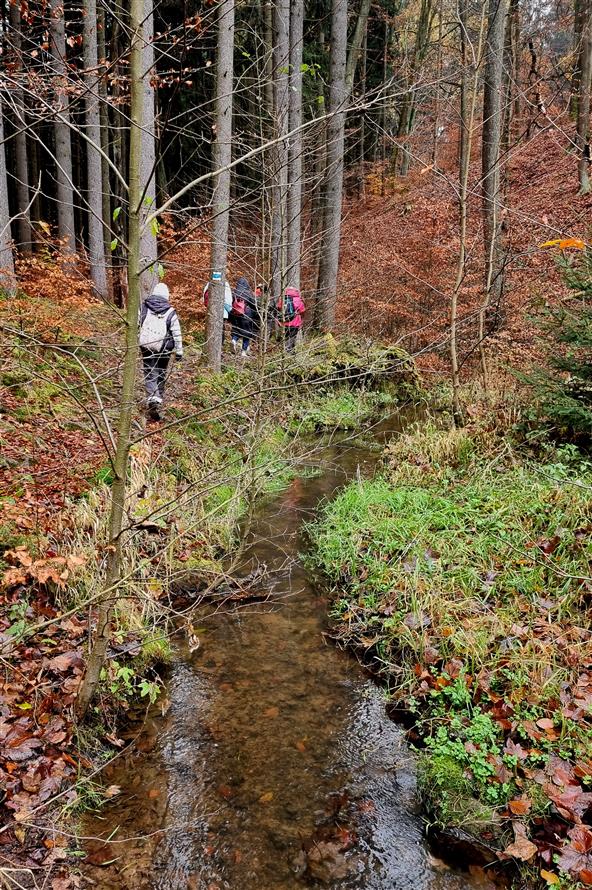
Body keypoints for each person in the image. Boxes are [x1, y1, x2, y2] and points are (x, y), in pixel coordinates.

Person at [139, 282, 183, 420]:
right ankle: (158, 399)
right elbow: (176, 333)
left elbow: (136, 323)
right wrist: (179, 351)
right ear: (167, 296)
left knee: (150, 371)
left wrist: (136, 340)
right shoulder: (171, 312)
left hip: (146, 345)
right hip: (164, 348)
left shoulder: (143, 307)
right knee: (161, 372)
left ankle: (153, 396)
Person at [231, 276, 256, 357]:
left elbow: (231, 303)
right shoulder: (248, 293)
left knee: (237, 329)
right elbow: (253, 304)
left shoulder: (234, 292)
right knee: (247, 333)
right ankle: (243, 352)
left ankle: (234, 340)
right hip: (246, 315)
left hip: (235, 314)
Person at [276, 286, 305, 353]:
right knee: (292, 337)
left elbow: (278, 308)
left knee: (285, 337)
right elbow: (302, 311)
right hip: (295, 323)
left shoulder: (282, 299)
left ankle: (286, 350)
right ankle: (289, 351)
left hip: (284, 322)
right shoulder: (298, 300)